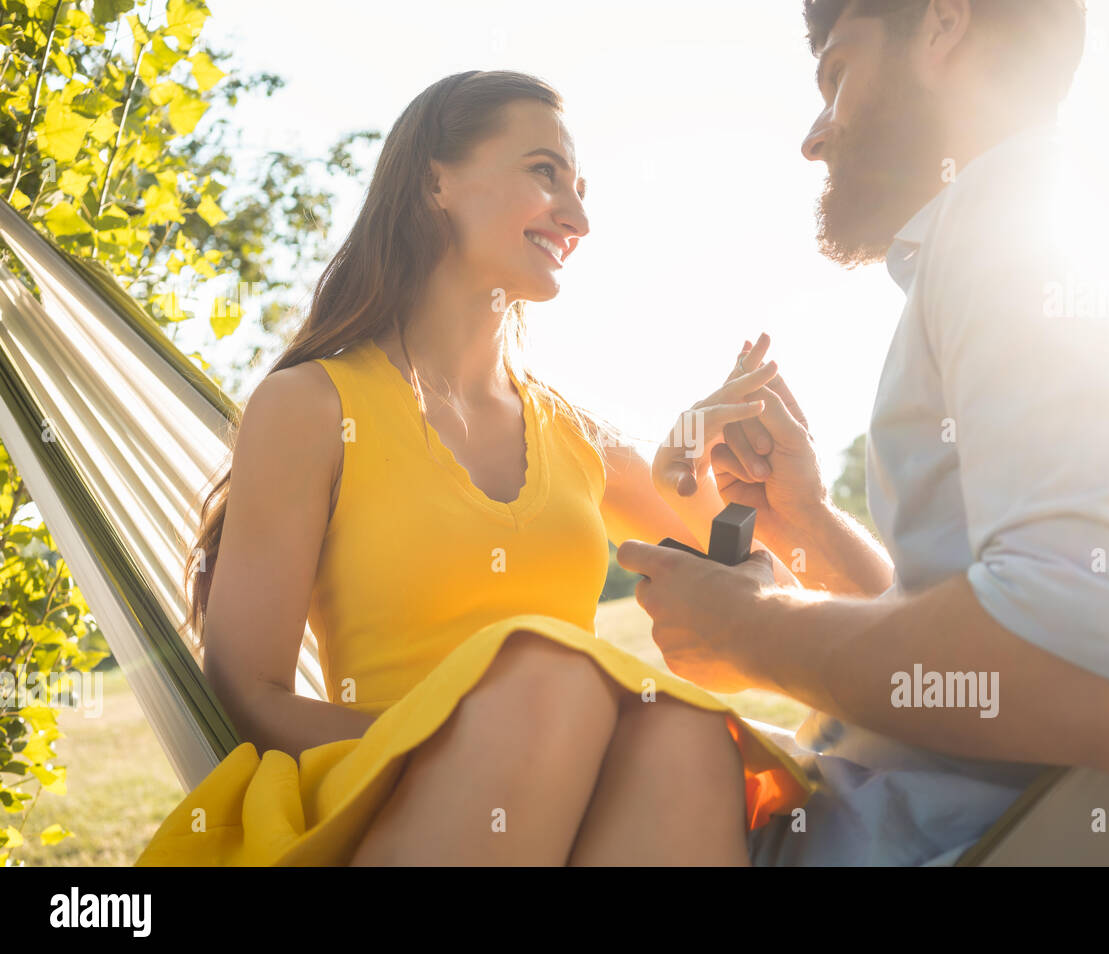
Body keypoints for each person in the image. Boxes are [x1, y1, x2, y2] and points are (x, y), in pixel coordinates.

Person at [618, 0, 1109, 865]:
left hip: (899, 843)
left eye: (837, 74)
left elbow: (1097, 674)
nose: (815, 137)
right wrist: (810, 524)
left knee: (595, 725)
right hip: (973, 824)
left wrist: (748, 627)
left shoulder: (1020, 237)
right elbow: (996, 655)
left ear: (943, 27)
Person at [133, 70, 816, 867]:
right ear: (437, 184)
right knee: (551, 678)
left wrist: (696, 465)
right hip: (386, 802)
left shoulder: (579, 434)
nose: (579, 217)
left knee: (684, 733)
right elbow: (248, 696)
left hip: (563, 814)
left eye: (581, 189)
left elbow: (775, 587)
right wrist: (474, 743)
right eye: (545, 172)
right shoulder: (311, 408)